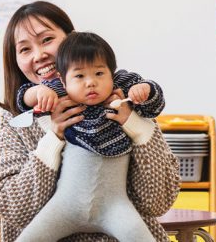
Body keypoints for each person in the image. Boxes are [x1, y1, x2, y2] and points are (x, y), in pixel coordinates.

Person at [0, 1, 180, 242]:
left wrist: (135, 126)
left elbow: (158, 202)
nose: (39, 55)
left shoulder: (122, 99)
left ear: (71, 39)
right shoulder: (15, 120)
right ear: (15, 60)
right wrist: (54, 138)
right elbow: (13, 208)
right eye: (25, 49)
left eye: (47, 40)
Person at [12, 32, 164, 241]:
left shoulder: (122, 90)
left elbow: (155, 98)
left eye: (100, 74)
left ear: (112, 74)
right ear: (63, 82)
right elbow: (22, 98)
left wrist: (143, 89)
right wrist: (39, 93)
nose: (91, 82)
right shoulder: (60, 94)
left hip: (116, 206)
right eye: (80, 76)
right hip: (63, 207)